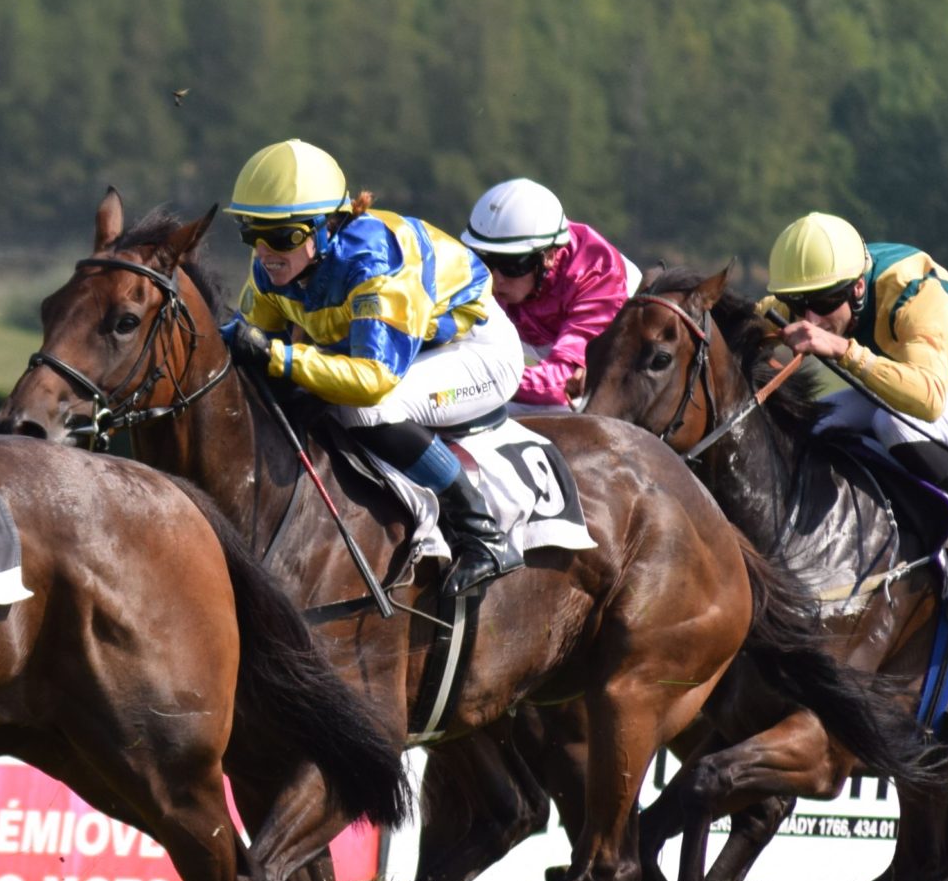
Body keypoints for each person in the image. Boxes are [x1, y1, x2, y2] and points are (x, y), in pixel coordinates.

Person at [219, 139, 526, 593]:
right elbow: (250, 340)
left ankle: (480, 532)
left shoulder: (374, 264)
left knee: (367, 410)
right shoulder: (273, 265)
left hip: (478, 351)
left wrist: (279, 356)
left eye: (283, 237)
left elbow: (372, 380)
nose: (265, 252)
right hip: (409, 349)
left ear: (327, 228)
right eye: (252, 234)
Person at [767, 210, 948, 605]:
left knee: (894, 424)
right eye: (796, 304)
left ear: (858, 288)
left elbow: (927, 399)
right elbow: (740, 319)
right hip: (907, 393)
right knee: (809, 424)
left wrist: (841, 349)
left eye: (822, 304)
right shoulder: (825, 281)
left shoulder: (914, 294)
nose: (810, 319)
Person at [458, 177, 641, 409]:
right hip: (548, 360)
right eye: (483, 260)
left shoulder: (596, 274)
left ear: (549, 256)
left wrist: (474, 380)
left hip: (615, 377)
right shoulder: (502, 274)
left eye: (511, 265)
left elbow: (561, 384)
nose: (495, 278)